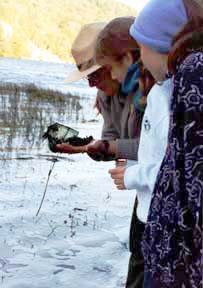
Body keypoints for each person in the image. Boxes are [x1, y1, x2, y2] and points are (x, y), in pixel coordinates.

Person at [128, 0, 203, 286]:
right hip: (169, 256)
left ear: (162, 45)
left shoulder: (193, 74)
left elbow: (191, 183)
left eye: (141, 48)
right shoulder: (178, 80)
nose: (140, 59)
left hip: (178, 266)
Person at [94, 17, 156, 288]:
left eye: (99, 72)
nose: (93, 83)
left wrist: (114, 151)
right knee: (138, 249)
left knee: (148, 256)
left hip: (152, 190)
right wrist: (100, 147)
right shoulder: (113, 95)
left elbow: (157, 154)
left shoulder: (155, 94)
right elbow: (112, 136)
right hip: (144, 189)